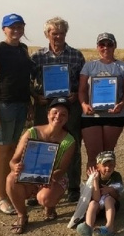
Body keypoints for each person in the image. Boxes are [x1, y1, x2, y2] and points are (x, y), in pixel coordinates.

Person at [30, 16, 86, 203]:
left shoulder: (76, 55)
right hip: (44, 107)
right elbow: (27, 81)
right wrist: (36, 96)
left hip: (70, 107)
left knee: (72, 144)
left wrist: (76, 93)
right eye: (54, 33)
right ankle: (36, 186)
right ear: (47, 35)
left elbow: (83, 82)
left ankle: (73, 188)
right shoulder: (37, 56)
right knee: (41, 145)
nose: (58, 37)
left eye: (62, 33)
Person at [6, 97, 77, 234]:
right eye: (55, 112)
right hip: (29, 175)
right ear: (48, 113)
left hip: (53, 178)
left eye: (63, 114)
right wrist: (15, 167)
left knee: (45, 198)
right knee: (10, 179)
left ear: (67, 118)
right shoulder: (31, 132)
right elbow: (13, 160)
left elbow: (62, 169)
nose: (58, 117)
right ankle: (22, 215)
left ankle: (50, 206)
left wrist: (49, 177)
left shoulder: (69, 140)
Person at [0, 13, 33, 216]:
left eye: (19, 27)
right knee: (1, 151)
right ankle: (0, 199)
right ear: (4, 29)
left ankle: (9, 190)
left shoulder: (23, 50)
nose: (16, 31)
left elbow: (24, 79)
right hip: (4, 105)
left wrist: (30, 102)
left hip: (21, 104)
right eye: (12, 27)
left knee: (13, 150)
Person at [78, 33, 124, 169]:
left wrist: (121, 104)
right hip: (91, 115)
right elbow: (82, 90)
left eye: (109, 44)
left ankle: (106, 188)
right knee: (93, 155)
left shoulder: (123, 67)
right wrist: (84, 104)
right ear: (97, 47)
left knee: (107, 155)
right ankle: (92, 188)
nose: (106, 48)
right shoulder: (89, 66)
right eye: (102, 45)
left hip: (114, 115)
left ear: (115, 46)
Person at [76, 150, 124, 236]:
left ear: (114, 165)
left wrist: (110, 190)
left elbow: (117, 196)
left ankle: (109, 227)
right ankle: (88, 228)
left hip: (111, 206)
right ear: (98, 167)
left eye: (111, 165)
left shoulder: (116, 176)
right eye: (104, 165)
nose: (108, 168)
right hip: (98, 209)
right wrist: (95, 180)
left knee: (108, 199)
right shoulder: (95, 177)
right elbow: (96, 198)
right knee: (92, 203)